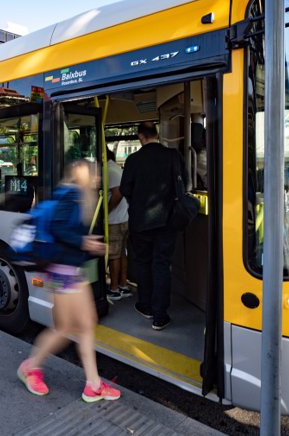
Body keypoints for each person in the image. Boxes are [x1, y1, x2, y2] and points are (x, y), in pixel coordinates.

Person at [17, 160, 121, 403]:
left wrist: (87, 244)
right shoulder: (71, 196)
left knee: (81, 325)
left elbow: (67, 232)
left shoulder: (75, 197)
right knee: (69, 327)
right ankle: (31, 366)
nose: (97, 179)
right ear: (81, 176)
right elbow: (59, 228)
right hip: (63, 272)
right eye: (94, 175)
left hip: (68, 270)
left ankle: (92, 384)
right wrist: (85, 243)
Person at [120, 122, 184, 331]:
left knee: (143, 263)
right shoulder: (172, 156)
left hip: (140, 221)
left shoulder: (133, 160)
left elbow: (125, 189)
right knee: (162, 265)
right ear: (157, 134)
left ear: (140, 136)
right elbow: (185, 184)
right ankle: (160, 315)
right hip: (167, 221)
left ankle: (145, 305)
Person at [105, 148, 132, 301]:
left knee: (114, 254)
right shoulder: (117, 168)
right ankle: (123, 284)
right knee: (122, 253)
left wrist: (105, 212)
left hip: (115, 220)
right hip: (124, 218)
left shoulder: (109, 170)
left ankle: (114, 288)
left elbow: (117, 193)